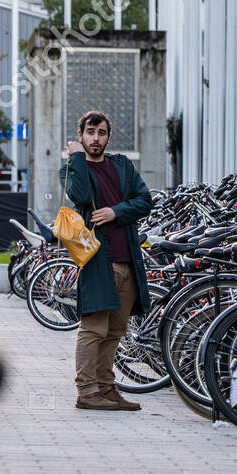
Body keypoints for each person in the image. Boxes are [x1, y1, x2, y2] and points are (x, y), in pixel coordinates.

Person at [62, 110, 154, 411]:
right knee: (93, 329)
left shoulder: (122, 166)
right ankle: (87, 391)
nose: (96, 138)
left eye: (101, 132)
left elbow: (145, 201)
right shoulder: (75, 168)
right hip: (98, 260)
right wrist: (76, 158)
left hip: (128, 260)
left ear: (108, 135)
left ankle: (105, 387)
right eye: (90, 132)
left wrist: (116, 211)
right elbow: (81, 195)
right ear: (81, 135)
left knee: (115, 330)